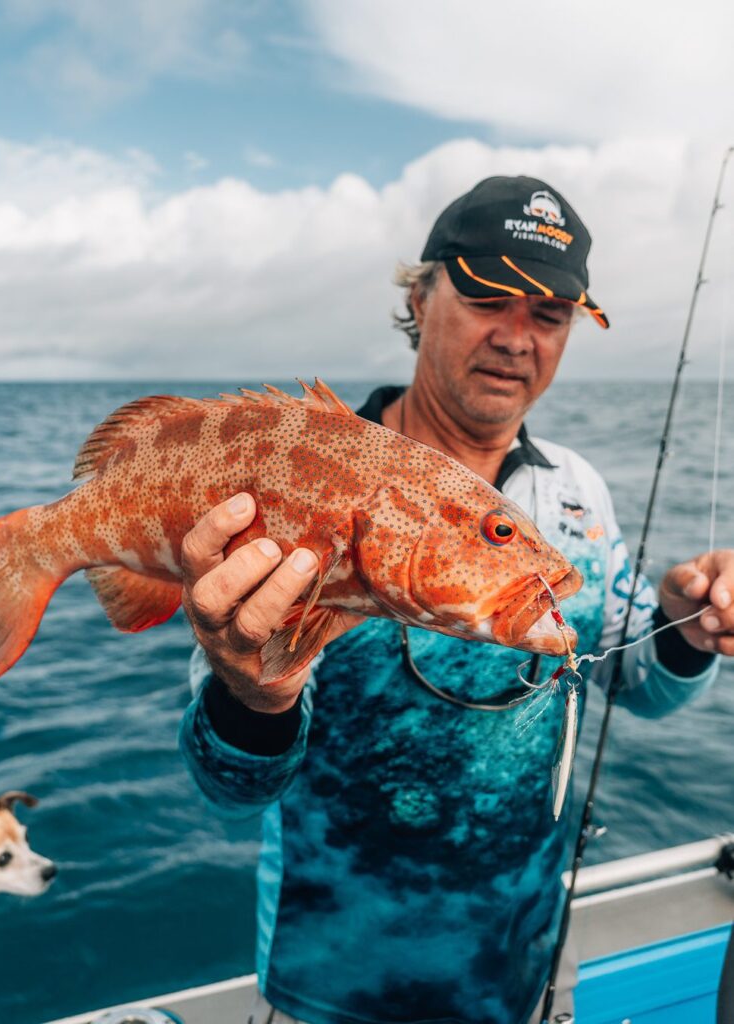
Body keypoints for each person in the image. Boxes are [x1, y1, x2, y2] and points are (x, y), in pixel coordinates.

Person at [178, 176, 733, 1024]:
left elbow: (631, 679)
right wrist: (253, 695)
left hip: (528, 970)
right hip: (331, 985)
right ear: (419, 293)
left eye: (548, 315)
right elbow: (229, 786)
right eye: (486, 296)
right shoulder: (307, 481)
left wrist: (686, 624)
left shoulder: (575, 492)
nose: (515, 337)